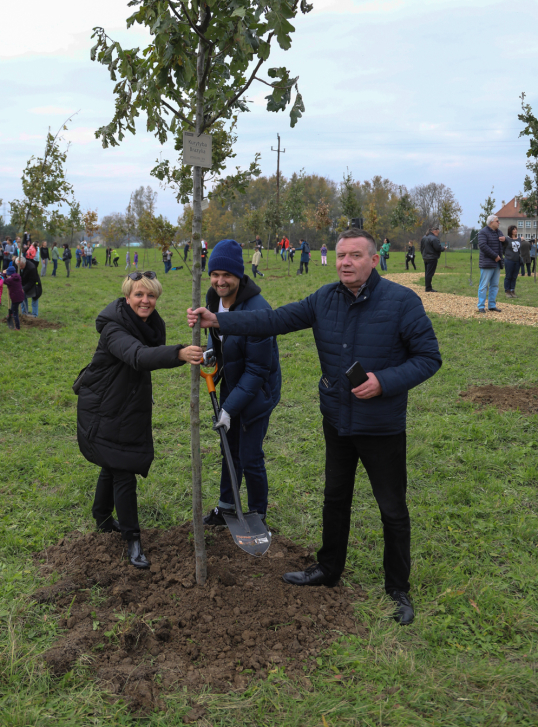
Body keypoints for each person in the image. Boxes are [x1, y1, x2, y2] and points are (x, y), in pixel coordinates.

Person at [187, 229, 442, 626]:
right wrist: (218, 319)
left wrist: (384, 381)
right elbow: (274, 319)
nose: (345, 262)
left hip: (381, 426)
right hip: (337, 420)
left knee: (391, 509)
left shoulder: (402, 302)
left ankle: (397, 588)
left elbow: (429, 357)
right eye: (341, 255)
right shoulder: (324, 299)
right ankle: (328, 568)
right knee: (334, 499)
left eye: (355, 255)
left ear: (374, 260)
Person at [74, 271, 203, 569]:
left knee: (114, 461)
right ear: (127, 297)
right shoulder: (114, 329)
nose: (145, 301)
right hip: (104, 407)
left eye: (151, 295)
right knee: (123, 469)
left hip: (125, 404)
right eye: (139, 295)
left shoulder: (147, 325)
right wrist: (180, 353)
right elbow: (138, 356)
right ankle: (132, 539)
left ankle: (103, 518)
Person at [199, 240, 281, 526]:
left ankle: (258, 515)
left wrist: (229, 409)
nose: (220, 281)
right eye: (215, 274)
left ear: (239, 276)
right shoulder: (213, 298)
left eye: (227, 275)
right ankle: (226, 507)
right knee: (228, 449)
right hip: (232, 383)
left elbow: (258, 370)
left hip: (258, 391)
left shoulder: (258, 311)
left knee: (249, 456)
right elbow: (218, 335)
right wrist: (211, 353)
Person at [477, 215, 505, 313]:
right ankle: (481, 306)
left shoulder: (500, 233)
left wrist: (505, 241)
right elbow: (483, 246)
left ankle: (492, 305)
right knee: (484, 285)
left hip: (497, 264)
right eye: (497, 221)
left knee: (495, 285)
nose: (499, 222)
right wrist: (495, 256)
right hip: (487, 263)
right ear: (491, 222)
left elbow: (503, 246)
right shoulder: (483, 232)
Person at [420, 225, 443, 292]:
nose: (437, 235)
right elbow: (438, 248)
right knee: (430, 273)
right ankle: (428, 288)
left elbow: (421, 248)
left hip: (425, 257)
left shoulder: (424, 237)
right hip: (432, 258)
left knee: (427, 273)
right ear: (434, 231)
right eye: (437, 233)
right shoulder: (434, 239)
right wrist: (443, 248)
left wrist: (423, 255)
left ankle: (427, 286)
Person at [502, 226, 521, 298]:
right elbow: (503, 249)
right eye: (514, 229)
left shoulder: (519, 239)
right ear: (510, 231)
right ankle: (507, 291)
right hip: (509, 260)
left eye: (516, 229)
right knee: (508, 276)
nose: (515, 231)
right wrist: (507, 255)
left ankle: (512, 290)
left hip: (517, 260)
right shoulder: (507, 239)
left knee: (514, 277)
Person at [5, 263, 24, 328]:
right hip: (20, 296)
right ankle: (10, 314)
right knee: (13, 307)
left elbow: (4, 281)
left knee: (15, 313)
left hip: (15, 298)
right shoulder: (18, 277)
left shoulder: (10, 280)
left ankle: (17, 327)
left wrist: (2, 274)